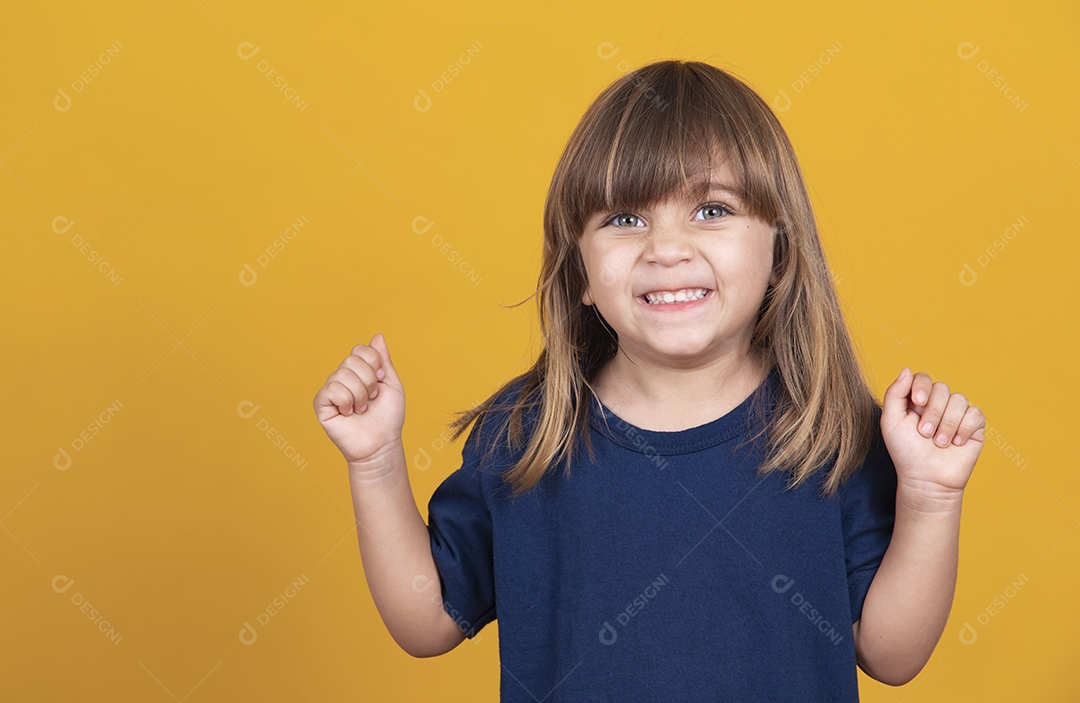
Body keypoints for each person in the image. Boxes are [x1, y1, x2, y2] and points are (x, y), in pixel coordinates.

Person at [312, 59, 987, 701]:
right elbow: (426, 621)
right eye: (625, 220)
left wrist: (929, 496)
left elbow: (891, 656)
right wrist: (375, 461)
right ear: (578, 270)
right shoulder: (525, 434)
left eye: (712, 210)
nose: (666, 249)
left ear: (780, 250)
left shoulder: (832, 431)